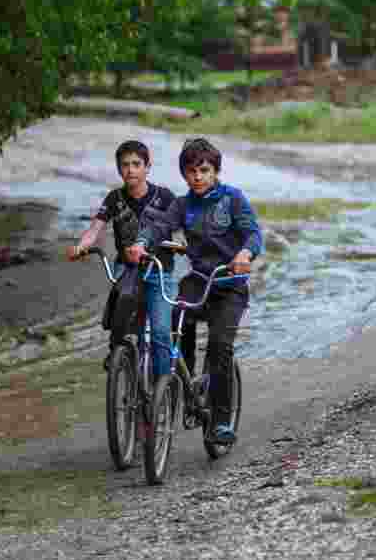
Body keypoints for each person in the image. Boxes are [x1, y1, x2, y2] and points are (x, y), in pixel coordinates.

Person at [124, 137, 262, 445]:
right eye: (191, 172)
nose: (197, 177)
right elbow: (160, 226)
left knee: (219, 347)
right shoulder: (183, 204)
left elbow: (253, 233)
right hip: (198, 280)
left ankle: (222, 421)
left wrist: (244, 255)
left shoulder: (233, 199)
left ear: (215, 171)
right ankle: (182, 384)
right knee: (173, 318)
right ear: (184, 174)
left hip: (228, 285)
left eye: (204, 170)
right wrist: (141, 243)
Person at [67, 140, 178, 378]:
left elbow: (183, 227)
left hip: (160, 271)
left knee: (160, 333)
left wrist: (186, 244)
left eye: (137, 164)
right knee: (126, 325)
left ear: (148, 167)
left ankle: (163, 389)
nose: (131, 170)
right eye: (125, 165)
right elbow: (95, 229)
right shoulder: (114, 199)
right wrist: (80, 246)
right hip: (127, 271)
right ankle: (120, 360)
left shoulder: (166, 197)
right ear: (119, 169)